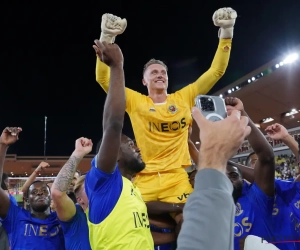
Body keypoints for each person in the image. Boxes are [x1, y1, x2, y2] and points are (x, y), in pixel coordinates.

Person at [93, 8, 237, 228]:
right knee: (132, 227)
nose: (160, 75)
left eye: (163, 72)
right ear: (144, 81)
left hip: (176, 179)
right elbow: (104, 78)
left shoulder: (184, 97)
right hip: (144, 179)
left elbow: (216, 71)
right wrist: (106, 38)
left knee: (191, 222)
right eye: (154, 72)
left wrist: (226, 32)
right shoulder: (135, 101)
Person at [85, 41, 153, 249]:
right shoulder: (103, 182)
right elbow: (113, 125)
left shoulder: (132, 188)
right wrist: (117, 66)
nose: (138, 148)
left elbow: (137, 235)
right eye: (131, 144)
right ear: (114, 154)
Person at [177, 105, 251, 250]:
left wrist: (215, 154)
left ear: (244, 181)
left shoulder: (251, 196)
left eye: (234, 175)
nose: (228, 179)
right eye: (225, 175)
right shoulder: (191, 199)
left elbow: (267, 158)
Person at [0, 127, 65, 250]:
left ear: (50, 196)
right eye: (34, 192)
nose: (40, 194)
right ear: (26, 199)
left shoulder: (62, 219)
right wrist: (2, 146)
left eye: (44, 191)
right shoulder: (16, 216)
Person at [51, 137, 92, 250]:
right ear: (80, 200)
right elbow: (57, 193)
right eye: (89, 189)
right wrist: (78, 153)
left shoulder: (108, 212)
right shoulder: (75, 215)